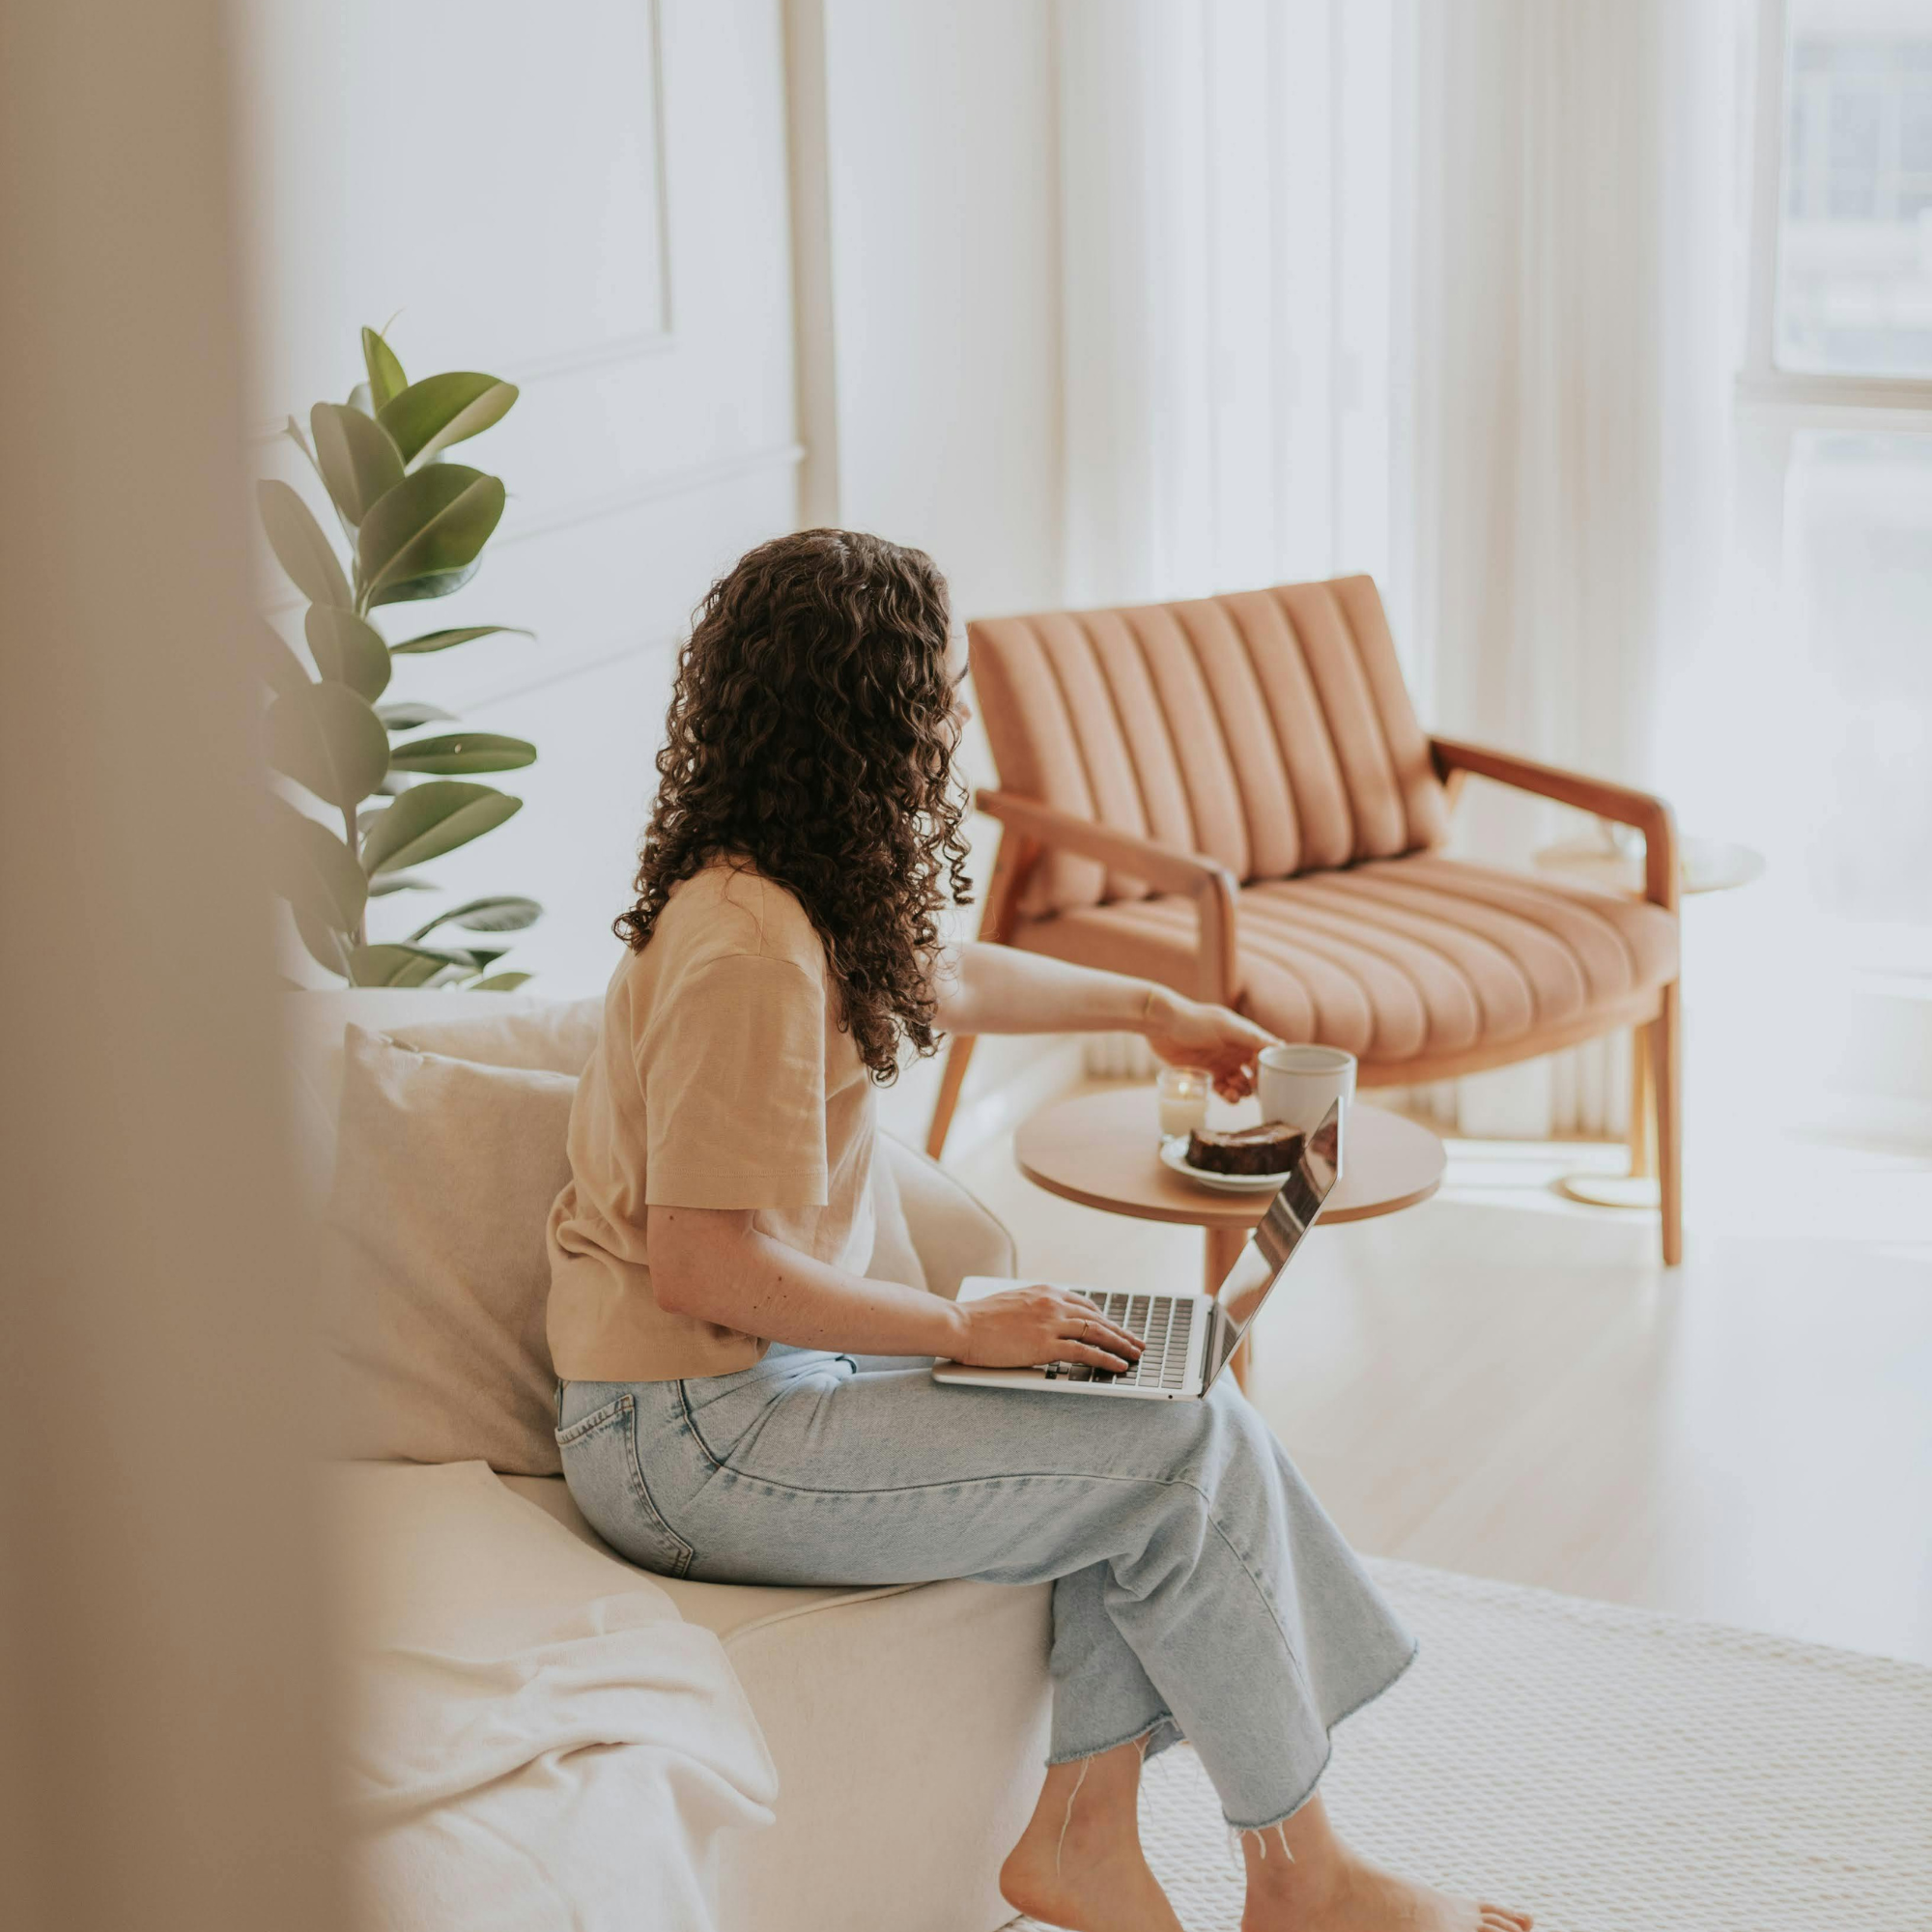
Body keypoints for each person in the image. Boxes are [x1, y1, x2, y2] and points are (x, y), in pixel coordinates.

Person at [546, 529, 1533, 1932]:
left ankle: (1087, 1831)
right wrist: (960, 1328)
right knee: (1173, 1443)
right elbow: (702, 1268)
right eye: (937, 691)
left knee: (1143, 1388)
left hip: (739, 1400)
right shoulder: (746, 946)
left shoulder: (797, 890)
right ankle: (1301, 1880)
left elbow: (946, 972)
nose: (952, 720)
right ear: (868, 713)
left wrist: (1149, 1011)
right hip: (685, 1438)